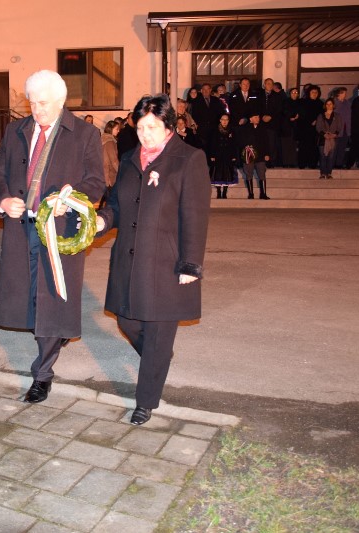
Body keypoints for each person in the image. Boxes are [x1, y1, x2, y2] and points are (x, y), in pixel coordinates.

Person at [0, 70, 105, 404]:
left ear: (61, 101)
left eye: (43, 103)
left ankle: (42, 375)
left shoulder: (85, 134)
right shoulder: (15, 131)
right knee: (30, 300)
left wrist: (72, 200)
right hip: (20, 228)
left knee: (50, 300)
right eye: (32, 103)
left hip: (59, 230)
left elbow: (96, 182)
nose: (36, 110)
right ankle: (53, 334)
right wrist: (3, 199)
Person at [94, 94, 210, 425]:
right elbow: (117, 205)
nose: (145, 134)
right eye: (141, 127)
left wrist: (190, 263)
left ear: (168, 126)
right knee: (127, 320)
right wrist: (101, 221)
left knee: (158, 329)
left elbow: (196, 215)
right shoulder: (130, 158)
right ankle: (158, 357)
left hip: (166, 262)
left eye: (153, 127)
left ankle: (145, 402)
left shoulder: (188, 159)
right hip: (130, 259)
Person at [236, 113, 271, 199]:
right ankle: (251, 194)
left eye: (258, 117)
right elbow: (240, 141)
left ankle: (263, 194)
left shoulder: (262, 128)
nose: (258, 119)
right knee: (249, 174)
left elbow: (266, 142)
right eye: (255, 117)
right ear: (250, 119)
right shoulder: (244, 129)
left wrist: (267, 153)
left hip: (261, 155)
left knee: (262, 173)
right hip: (248, 154)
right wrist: (247, 148)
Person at [191, 83, 226, 157]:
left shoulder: (216, 100)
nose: (206, 91)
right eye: (204, 89)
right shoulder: (196, 101)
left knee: (213, 149)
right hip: (202, 130)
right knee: (203, 150)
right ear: (201, 91)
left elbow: (221, 113)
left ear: (210, 90)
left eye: (207, 89)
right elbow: (194, 115)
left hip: (214, 129)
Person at [208, 113, 238, 198]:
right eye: (223, 119)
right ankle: (218, 192)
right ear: (220, 120)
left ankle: (224, 192)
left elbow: (234, 144)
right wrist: (212, 155)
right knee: (217, 174)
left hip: (228, 156)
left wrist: (234, 156)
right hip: (217, 156)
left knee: (227, 175)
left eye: (226, 120)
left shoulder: (232, 131)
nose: (224, 121)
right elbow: (212, 144)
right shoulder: (215, 131)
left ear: (228, 121)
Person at [315, 98, 344, 179]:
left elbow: (339, 127)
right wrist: (324, 134)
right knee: (322, 156)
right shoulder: (321, 115)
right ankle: (322, 173)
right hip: (323, 139)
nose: (329, 105)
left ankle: (329, 173)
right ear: (325, 105)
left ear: (333, 105)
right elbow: (318, 127)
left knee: (331, 157)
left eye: (330, 104)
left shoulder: (337, 116)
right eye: (327, 104)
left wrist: (334, 135)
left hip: (333, 139)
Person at [297, 85, 323, 169]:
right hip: (304, 128)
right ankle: (302, 164)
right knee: (303, 146)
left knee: (314, 147)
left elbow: (322, 115)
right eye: (312, 92)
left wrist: (316, 121)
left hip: (316, 130)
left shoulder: (320, 103)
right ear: (309, 93)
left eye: (316, 92)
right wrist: (309, 121)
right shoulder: (303, 102)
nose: (314, 94)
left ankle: (312, 164)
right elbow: (301, 115)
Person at [100, 120, 120, 207]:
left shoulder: (103, 139)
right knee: (110, 199)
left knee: (106, 197)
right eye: (116, 129)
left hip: (103, 173)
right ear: (110, 129)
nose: (118, 131)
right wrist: (121, 172)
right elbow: (114, 161)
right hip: (109, 176)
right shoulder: (110, 142)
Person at [280, 87, 301, 167]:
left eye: (296, 93)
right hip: (286, 127)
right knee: (286, 145)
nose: (294, 94)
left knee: (294, 146)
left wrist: (298, 116)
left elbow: (301, 112)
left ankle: (293, 162)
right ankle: (285, 163)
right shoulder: (285, 102)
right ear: (290, 94)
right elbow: (283, 112)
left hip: (296, 127)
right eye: (293, 92)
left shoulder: (300, 102)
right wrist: (290, 117)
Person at [332, 87, 351, 168]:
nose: (345, 94)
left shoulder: (347, 103)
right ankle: (332, 163)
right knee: (334, 148)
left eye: (345, 93)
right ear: (338, 94)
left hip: (346, 128)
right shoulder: (334, 102)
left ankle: (339, 163)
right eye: (343, 93)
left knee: (342, 147)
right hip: (337, 129)